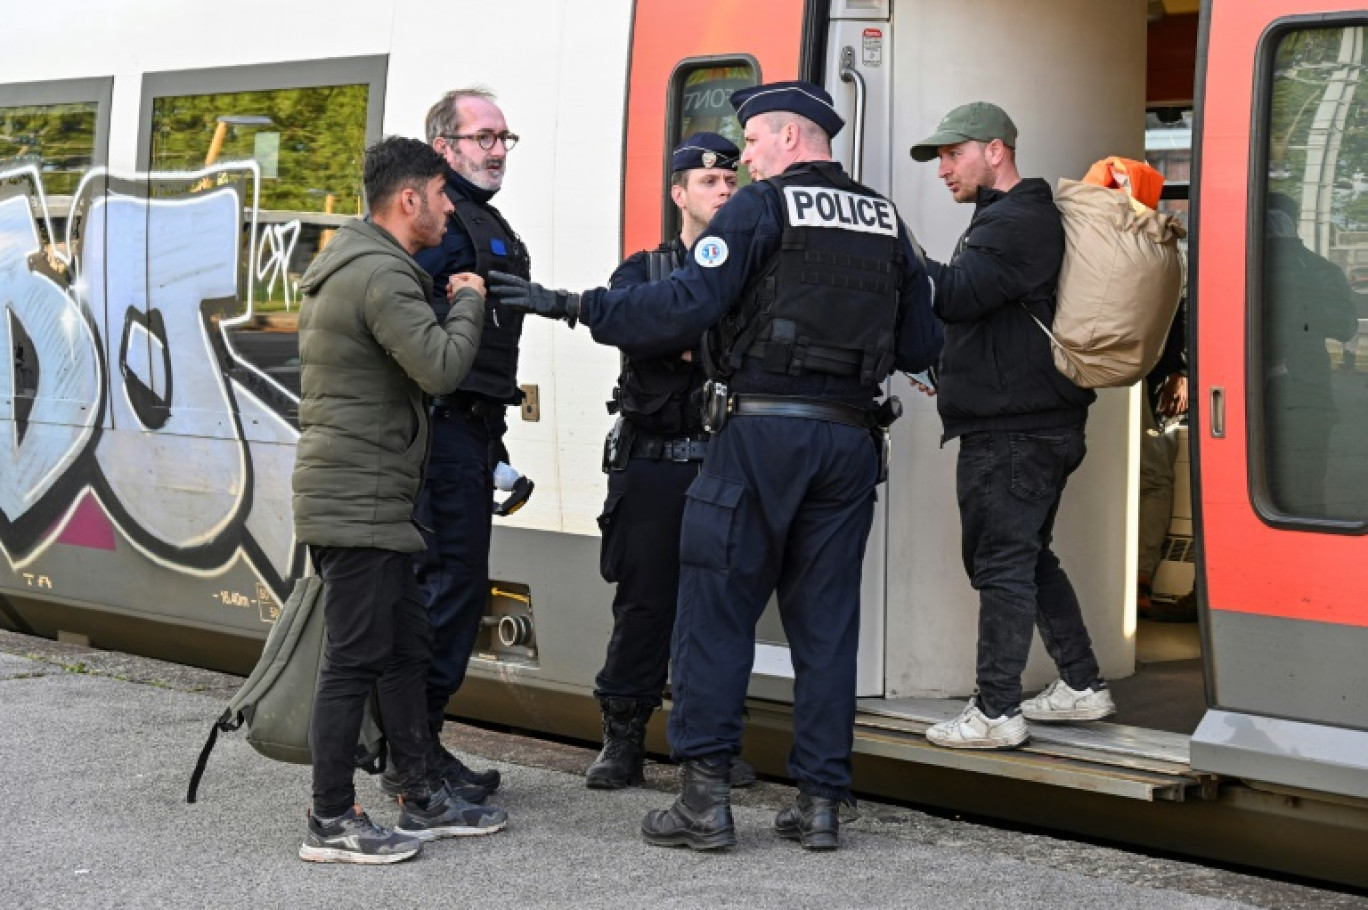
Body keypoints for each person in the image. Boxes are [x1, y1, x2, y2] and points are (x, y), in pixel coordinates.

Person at [490, 80, 942, 851]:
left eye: (757, 141)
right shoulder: (884, 220)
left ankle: (703, 800)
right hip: (849, 443)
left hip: (762, 435)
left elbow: (679, 306)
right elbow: (919, 347)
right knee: (827, 624)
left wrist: (565, 304)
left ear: (791, 138)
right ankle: (822, 802)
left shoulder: (760, 209)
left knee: (715, 606)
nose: (749, 157)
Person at [292, 136, 506, 864]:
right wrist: (470, 301)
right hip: (361, 498)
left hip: (376, 497)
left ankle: (417, 795)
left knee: (404, 648)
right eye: (443, 194)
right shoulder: (382, 275)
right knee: (353, 659)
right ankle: (329, 820)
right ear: (409, 198)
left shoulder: (359, 264)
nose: (452, 206)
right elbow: (441, 368)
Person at [908, 102, 1113, 751]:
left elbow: (956, 295)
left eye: (952, 153)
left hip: (1015, 433)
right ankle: (1080, 683)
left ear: (995, 150)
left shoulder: (1018, 219)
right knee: (1025, 556)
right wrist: (946, 366)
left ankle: (996, 710)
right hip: (1029, 422)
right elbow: (990, 318)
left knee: (999, 562)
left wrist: (896, 252)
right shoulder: (1005, 220)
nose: (943, 168)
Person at [587, 132, 755, 792]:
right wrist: (697, 336)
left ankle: (712, 744)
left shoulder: (753, 271)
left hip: (721, 463)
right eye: (708, 182)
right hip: (653, 465)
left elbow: (736, 347)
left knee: (718, 610)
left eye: (729, 182)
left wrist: (681, 337)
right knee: (644, 609)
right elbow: (629, 323)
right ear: (678, 193)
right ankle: (622, 741)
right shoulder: (644, 271)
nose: (722, 190)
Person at [387, 87, 531, 804]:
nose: (498, 148)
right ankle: (409, 755)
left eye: (505, 137)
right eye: (484, 137)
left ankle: (420, 743)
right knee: (445, 589)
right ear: (444, 147)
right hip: (441, 430)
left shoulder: (482, 219)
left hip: (473, 430)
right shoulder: (439, 225)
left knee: (456, 589)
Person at [1263, 192, 1357, 516]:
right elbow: (1345, 326)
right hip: (1306, 391)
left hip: (1289, 391)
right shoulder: (1321, 269)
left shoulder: (1254, 267)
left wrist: (1289, 259)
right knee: (1303, 485)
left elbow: (1343, 326)